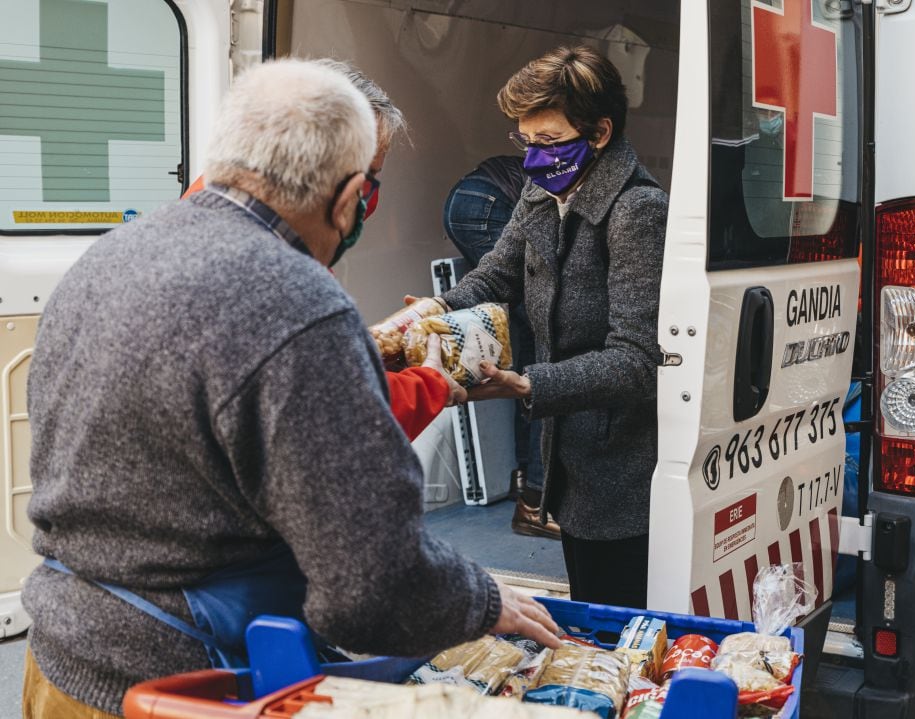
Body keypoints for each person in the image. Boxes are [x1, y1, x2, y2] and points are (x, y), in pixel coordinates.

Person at [21, 59, 558, 719]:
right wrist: (482, 600)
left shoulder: (110, 255)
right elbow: (369, 589)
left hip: (60, 662)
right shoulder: (301, 303)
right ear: (350, 197)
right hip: (186, 689)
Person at [435, 46, 668, 608]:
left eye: (547, 142)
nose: (533, 158)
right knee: (588, 599)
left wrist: (527, 385)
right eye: (525, 142)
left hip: (622, 468)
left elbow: (637, 361)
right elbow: (494, 276)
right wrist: (433, 315)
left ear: (600, 133)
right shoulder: (544, 190)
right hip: (570, 459)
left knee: (615, 619)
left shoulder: (638, 211)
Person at [183, 59, 465, 439]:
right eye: (369, 178)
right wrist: (432, 382)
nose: (365, 202)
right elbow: (351, 415)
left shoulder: (201, 212)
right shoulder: (281, 274)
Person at [442, 157, 559, 539]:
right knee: (550, 347)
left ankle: (523, 476)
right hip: (486, 203)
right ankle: (536, 503)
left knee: (531, 347)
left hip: (469, 198)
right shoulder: (570, 179)